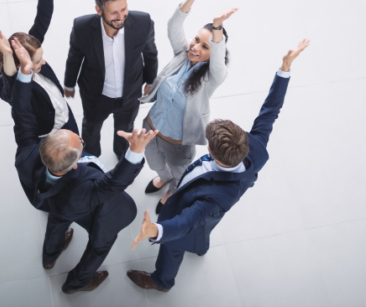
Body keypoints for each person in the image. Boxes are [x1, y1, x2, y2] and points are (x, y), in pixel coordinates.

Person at [126, 39, 311, 292]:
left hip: (184, 218)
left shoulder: (217, 198)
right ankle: (200, 247)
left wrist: (156, 230)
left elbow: (186, 221)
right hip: (209, 215)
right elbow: (270, 110)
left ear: (211, 151)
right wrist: (285, 68)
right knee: (203, 232)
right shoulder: (255, 144)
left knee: (175, 246)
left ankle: (162, 282)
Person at [10, 37, 159, 294]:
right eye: (79, 144)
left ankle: (50, 256)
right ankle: (76, 283)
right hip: (77, 206)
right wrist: (135, 151)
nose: (81, 138)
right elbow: (114, 183)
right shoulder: (85, 187)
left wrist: (25, 71)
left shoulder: (27, 151)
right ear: (75, 166)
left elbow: (21, 113)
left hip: (51, 201)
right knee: (99, 246)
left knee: (57, 222)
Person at [141, 0, 237, 214]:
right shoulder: (181, 55)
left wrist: (217, 28)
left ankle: (173, 190)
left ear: (212, 52)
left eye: (204, 46)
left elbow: (217, 57)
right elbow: (173, 27)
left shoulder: (212, 77)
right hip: (150, 129)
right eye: (196, 40)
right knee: (153, 163)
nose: (195, 47)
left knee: (179, 172)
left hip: (178, 142)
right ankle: (163, 178)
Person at [64, 0, 158, 159]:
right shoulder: (82, 28)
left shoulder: (143, 22)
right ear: (99, 10)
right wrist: (69, 84)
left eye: (123, 9)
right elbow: (74, 58)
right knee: (91, 128)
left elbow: (151, 54)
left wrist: (150, 81)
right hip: (96, 94)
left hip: (129, 93)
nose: (121, 16)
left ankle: (121, 153)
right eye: (114, 12)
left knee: (125, 128)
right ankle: (91, 158)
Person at [0, 0, 78, 136]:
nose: (44, 62)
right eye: (37, 61)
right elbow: (13, 84)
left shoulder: (29, 48)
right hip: (48, 134)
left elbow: (43, 16)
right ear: (23, 62)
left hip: (65, 116)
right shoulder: (6, 87)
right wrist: (7, 55)